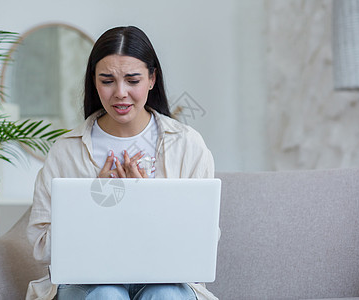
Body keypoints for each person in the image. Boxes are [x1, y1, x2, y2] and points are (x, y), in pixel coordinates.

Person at [26, 26, 217, 300]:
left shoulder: (187, 144)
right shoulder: (65, 151)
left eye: (132, 80)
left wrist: (144, 202)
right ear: (93, 81)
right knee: (106, 294)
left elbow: (203, 241)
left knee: (165, 295)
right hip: (87, 280)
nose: (120, 93)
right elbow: (41, 247)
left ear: (152, 79)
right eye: (107, 80)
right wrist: (94, 205)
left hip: (166, 279)